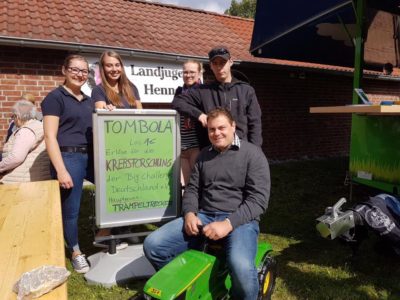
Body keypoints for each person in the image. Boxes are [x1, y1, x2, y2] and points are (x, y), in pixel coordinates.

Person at [144, 107, 270, 300]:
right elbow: (193, 189)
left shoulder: (253, 155)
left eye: (222, 128)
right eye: (212, 129)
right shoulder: (204, 155)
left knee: (242, 268)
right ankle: (187, 284)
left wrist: (228, 224)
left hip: (240, 221)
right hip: (204, 215)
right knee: (153, 245)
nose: (216, 133)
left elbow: (258, 201)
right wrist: (189, 213)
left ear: (233, 126)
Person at [41, 54, 94, 274]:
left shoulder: (88, 100)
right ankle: (75, 251)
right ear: (64, 70)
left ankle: (104, 233)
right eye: (75, 69)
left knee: (113, 189)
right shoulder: (55, 98)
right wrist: (61, 170)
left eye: (84, 71)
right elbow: (49, 137)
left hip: (90, 155)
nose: (80, 74)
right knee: (71, 209)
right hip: (68, 157)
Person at [91, 50, 143, 248]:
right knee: (114, 192)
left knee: (131, 190)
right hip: (111, 151)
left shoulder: (132, 88)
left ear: (122, 66)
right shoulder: (99, 90)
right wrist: (108, 112)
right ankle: (103, 236)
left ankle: (124, 229)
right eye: (109, 65)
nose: (113, 69)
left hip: (133, 148)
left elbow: (141, 114)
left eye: (116, 65)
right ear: (103, 69)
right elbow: (100, 114)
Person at [172, 46, 263, 149]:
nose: (219, 67)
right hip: (212, 153)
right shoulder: (203, 91)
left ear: (230, 62)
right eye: (215, 63)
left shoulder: (246, 90)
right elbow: (177, 102)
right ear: (211, 66)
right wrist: (199, 115)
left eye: (222, 62)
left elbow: (255, 124)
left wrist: (256, 151)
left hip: (241, 150)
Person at [0, 100, 50, 183]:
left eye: (13, 117)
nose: (13, 120)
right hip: (37, 177)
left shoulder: (26, 131)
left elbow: (16, 158)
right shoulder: (40, 126)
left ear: (18, 116)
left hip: (21, 181)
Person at [176, 60, 203, 187]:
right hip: (181, 145)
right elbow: (177, 105)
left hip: (196, 146)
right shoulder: (179, 91)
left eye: (192, 72)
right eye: (185, 72)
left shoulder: (204, 92)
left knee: (197, 183)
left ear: (199, 73)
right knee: (183, 185)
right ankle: (186, 207)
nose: (188, 75)